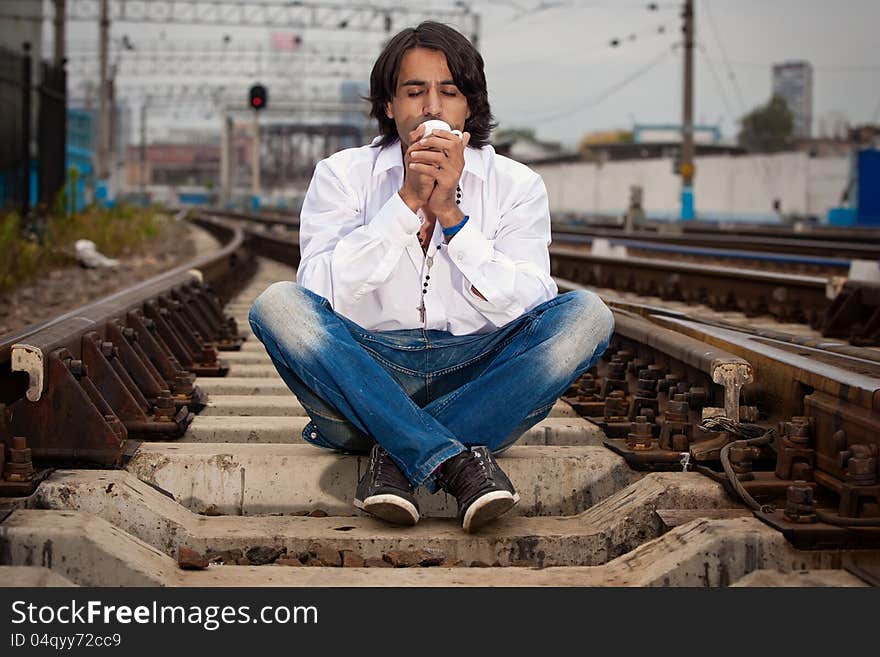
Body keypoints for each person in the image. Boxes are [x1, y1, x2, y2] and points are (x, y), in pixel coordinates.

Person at [248, 21, 614, 533]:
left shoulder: (516, 185)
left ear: (470, 106)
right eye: (415, 91)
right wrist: (406, 204)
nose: (432, 106)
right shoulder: (341, 175)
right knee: (277, 304)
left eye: (449, 91)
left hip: (476, 376)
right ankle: (455, 460)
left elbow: (530, 306)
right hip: (367, 373)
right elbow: (317, 293)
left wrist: (451, 216)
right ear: (390, 105)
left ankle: (399, 456)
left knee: (586, 315)